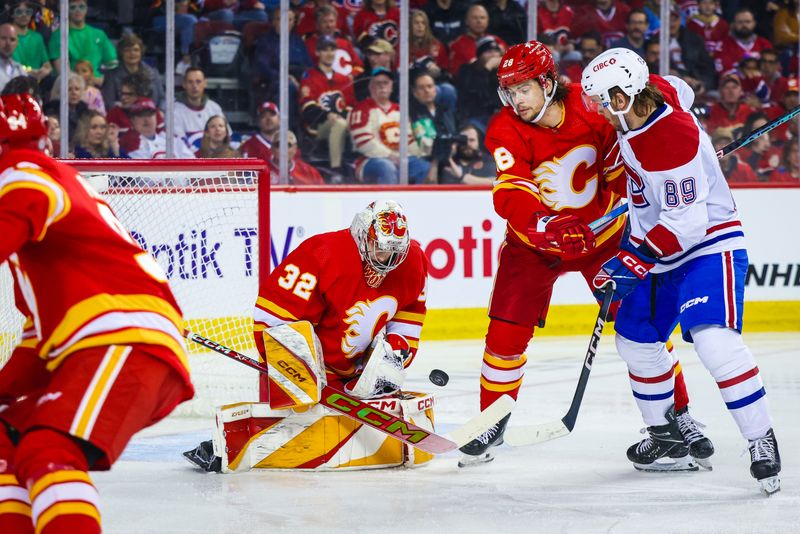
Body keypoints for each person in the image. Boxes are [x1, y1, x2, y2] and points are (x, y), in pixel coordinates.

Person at [457, 41, 710, 468]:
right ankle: (491, 420)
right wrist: (549, 226)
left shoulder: (591, 105)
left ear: (548, 82)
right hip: (534, 246)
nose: (516, 99)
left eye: (523, 88)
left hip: (604, 240)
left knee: (643, 330)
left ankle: (677, 417)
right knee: (504, 332)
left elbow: (632, 145)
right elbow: (512, 192)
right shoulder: (504, 130)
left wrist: (665, 161)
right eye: (509, 90)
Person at [581, 47, 780, 494]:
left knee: (714, 341)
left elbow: (687, 224)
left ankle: (760, 439)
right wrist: (701, 155)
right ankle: (666, 437)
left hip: (707, 244)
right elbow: (684, 91)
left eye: (605, 100)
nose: (599, 109)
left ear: (628, 94)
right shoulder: (660, 91)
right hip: (656, 241)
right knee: (634, 339)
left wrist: (633, 259)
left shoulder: (668, 141)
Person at [0, 93, 193, 532]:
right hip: (100, 343)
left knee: (49, 451)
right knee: (8, 438)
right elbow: (38, 338)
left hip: (126, 341)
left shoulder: (23, 176)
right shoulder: (42, 199)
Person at [183, 199, 428, 472]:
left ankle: (352, 391)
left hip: (354, 369)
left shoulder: (413, 261)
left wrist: (395, 354)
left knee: (386, 373)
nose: (387, 261)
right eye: (380, 249)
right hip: (310, 364)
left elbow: (410, 312)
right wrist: (297, 371)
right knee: (300, 409)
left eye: (396, 252)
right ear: (362, 234)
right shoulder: (322, 253)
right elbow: (272, 318)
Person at [349, 67, 428, 184]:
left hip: (399, 159)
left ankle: (414, 201)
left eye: (385, 83)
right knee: (386, 167)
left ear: (391, 86)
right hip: (370, 160)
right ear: (370, 87)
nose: (382, 86)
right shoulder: (361, 108)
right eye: (377, 83)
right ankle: (389, 202)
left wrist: (421, 152)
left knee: (423, 167)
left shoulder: (400, 110)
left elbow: (408, 140)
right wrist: (389, 155)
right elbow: (363, 141)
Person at [299, 35, 355, 180]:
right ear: (317, 53)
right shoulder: (309, 77)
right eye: (324, 50)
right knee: (340, 123)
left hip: (342, 123)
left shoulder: (343, 79)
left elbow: (350, 106)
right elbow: (307, 108)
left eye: (332, 49)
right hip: (317, 127)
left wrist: (341, 116)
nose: (329, 54)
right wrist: (327, 115)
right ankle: (336, 168)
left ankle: (355, 162)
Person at [48, 0, 118, 82]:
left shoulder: (99, 34)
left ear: (87, 9)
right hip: (71, 87)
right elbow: (63, 72)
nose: (78, 10)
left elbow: (112, 64)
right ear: (65, 9)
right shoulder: (58, 36)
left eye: (81, 6)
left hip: (97, 85)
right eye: (73, 7)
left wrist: (102, 80)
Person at [101, 33, 165, 111]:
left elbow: (162, 99)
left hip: (151, 115)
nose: (132, 53)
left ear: (141, 52)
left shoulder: (153, 73)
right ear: (121, 53)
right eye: (127, 50)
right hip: (123, 117)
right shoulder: (111, 75)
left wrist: (160, 112)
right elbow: (109, 103)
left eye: (136, 50)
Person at [120, 98, 196, 160]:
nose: (146, 119)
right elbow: (145, 175)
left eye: (150, 114)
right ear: (132, 119)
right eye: (141, 115)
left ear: (156, 117)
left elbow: (192, 161)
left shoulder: (169, 137)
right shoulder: (130, 142)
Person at [174, 67, 227, 150]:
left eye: (198, 82)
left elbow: (227, 137)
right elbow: (179, 145)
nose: (194, 86)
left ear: (205, 83)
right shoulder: (174, 110)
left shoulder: (214, 108)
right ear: (184, 84)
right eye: (190, 82)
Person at [448, 4, 507, 76]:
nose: (479, 21)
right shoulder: (458, 45)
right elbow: (455, 73)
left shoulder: (496, 40)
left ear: (488, 21)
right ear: (466, 21)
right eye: (475, 18)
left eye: (482, 18)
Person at [9, 2, 52, 82]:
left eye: (28, 12)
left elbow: (47, 66)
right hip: (12, 81)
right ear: (12, 14)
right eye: (19, 12)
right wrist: (28, 72)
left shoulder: (37, 37)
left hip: (35, 83)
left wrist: (42, 72)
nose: (24, 15)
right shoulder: (6, 37)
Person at [0, 24, 25, 93]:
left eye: (12, 39)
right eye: (3, 38)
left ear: (16, 43)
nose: (8, 43)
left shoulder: (19, 69)